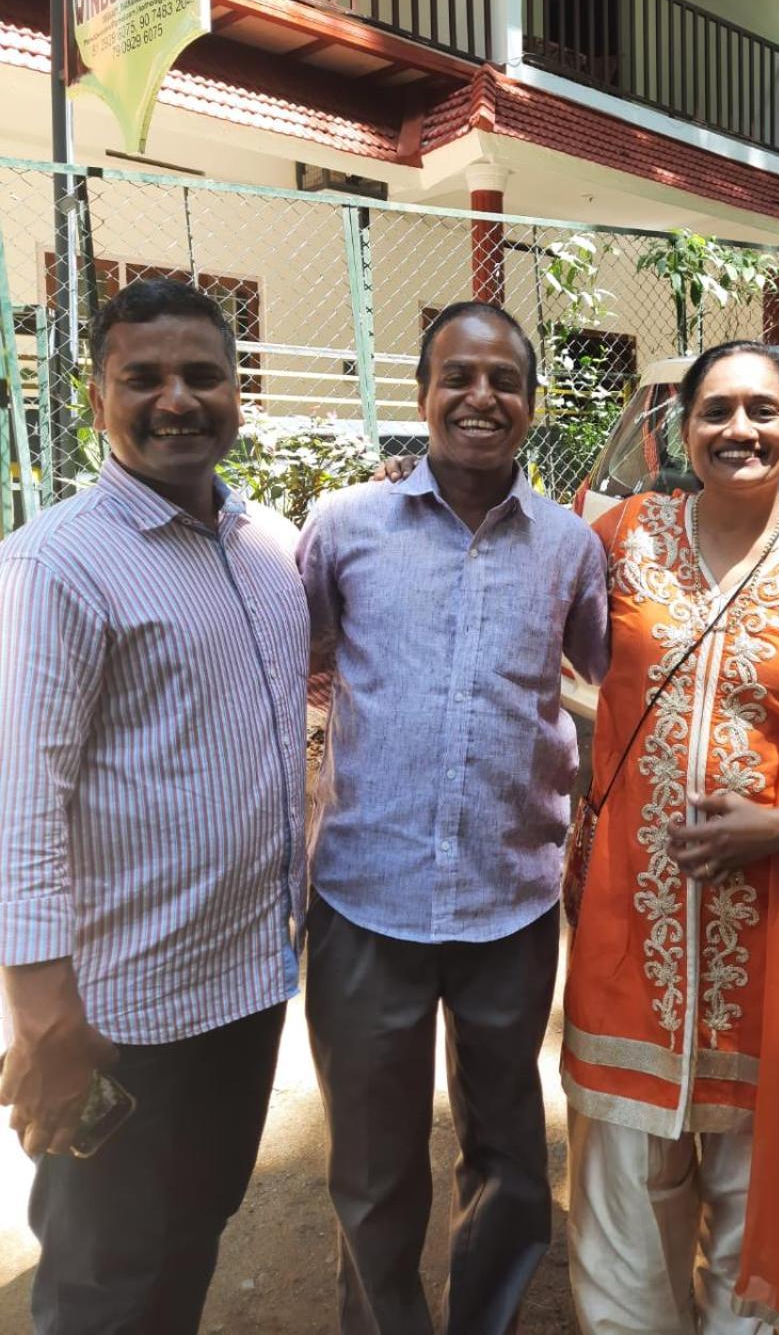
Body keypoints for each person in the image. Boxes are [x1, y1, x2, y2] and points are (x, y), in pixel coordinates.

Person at [562, 339, 779, 1335]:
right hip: (630, 942)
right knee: (624, 1242)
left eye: (763, 410)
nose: (739, 430)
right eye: (716, 410)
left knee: (757, 1250)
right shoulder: (619, 538)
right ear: (682, 427)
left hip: (777, 954)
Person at [0, 279, 309, 1334]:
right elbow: (20, 803)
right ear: (97, 399)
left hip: (247, 983)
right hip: (121, 1013)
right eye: (144, 378)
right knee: (104, 1280)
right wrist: (43, 1017)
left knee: (194, 1229)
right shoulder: (58, 564)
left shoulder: (268, 544)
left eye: (202, 375)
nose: (176, 399)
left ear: (239, 389)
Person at [298, 300, 609, 1335]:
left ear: (530, 401)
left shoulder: (569, 546)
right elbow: (299, 666)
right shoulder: (346, 528)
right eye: (458, 378)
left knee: (513, 1162)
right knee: (375, 1173)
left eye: (503, 381)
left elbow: (610, 677)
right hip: (365, 901)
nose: (481, 398)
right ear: (423, 393)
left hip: (507, 904)